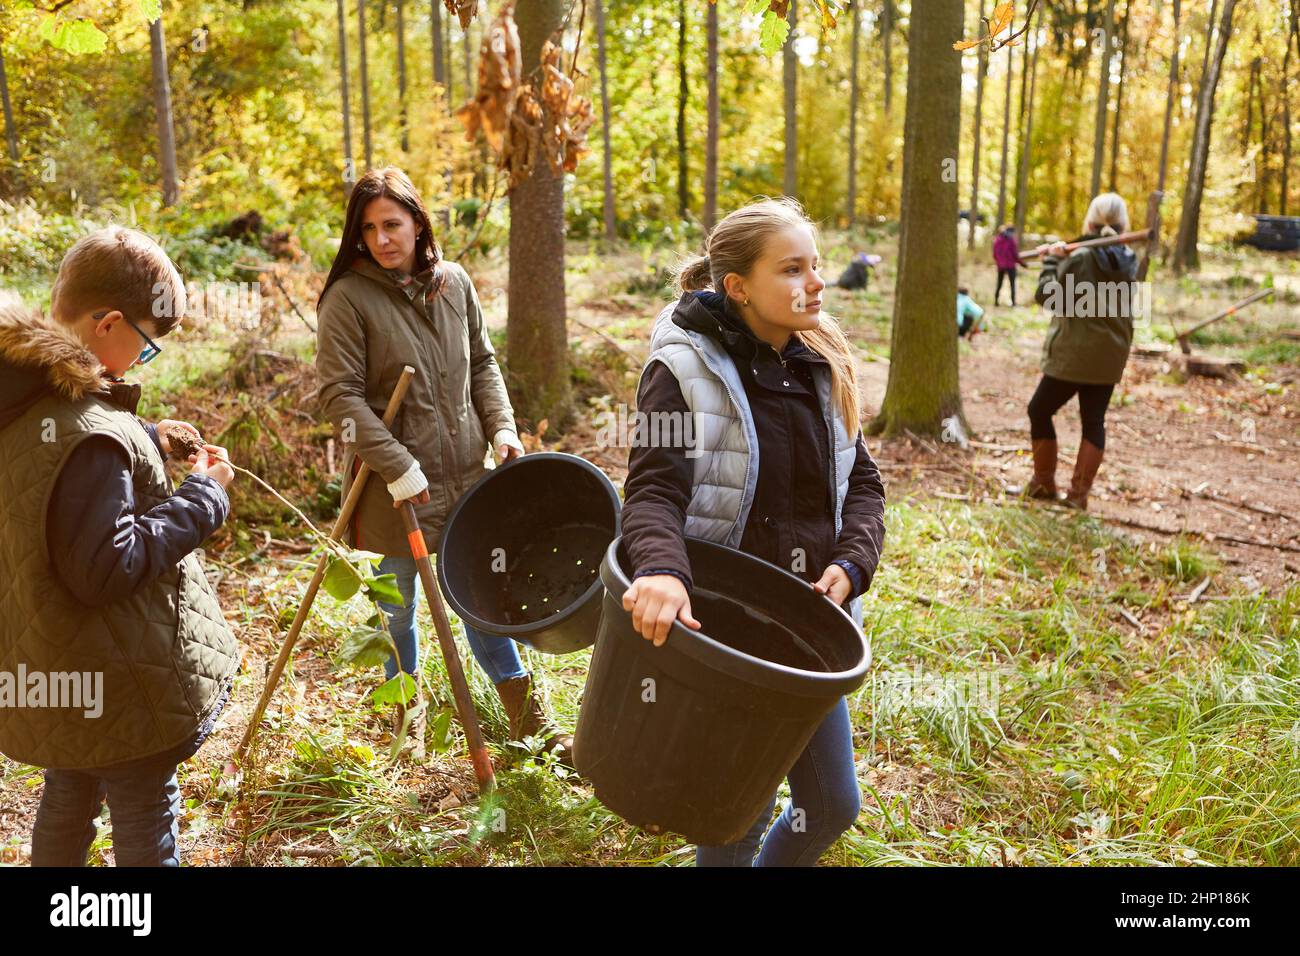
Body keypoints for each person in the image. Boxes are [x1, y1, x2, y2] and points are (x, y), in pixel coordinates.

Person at [620, 197, 886, 866]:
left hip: (810, 628)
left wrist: (854, 560)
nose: (816, 283)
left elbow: (863, 483)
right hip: (730, 632)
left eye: (816, 266)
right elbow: (653, 489)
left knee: (831, 805)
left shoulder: (824, 360)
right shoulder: (681, 371)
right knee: (736, 808)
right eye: (792, 269)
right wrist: (660, 570)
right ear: (737, 287)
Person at [315, 166, 572, 764]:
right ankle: (406, 725)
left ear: (417, 223)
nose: (382, 239)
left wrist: (502, 428)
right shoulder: (348, 299)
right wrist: (395, 463)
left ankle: (530, 725)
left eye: (393, 224)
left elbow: (482, 363)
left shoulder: (453, 285)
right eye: (369, 228)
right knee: (397, 610)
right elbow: (340, 398)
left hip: (467, 482)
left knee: (482, 599)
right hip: (395, 490)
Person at [0, 228, 240, 866]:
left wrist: (148, 441)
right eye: (148, 346)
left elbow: (46, 489)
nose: (145, 360)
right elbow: (108, 566)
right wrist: (204, 498)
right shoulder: (90, 432)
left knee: (69, 792)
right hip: (117, 681)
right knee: (145, 820)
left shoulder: (22, 394)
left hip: (52, 669)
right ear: (108, 324)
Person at [1022, 192, 1138, 510]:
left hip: (1074, 354)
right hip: (1111, 353)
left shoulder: (1081, 257)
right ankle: (1077, 496)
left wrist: (1051, 260)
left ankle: (1044, 483)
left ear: (1089, 221)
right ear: (1123, 224)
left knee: (1039, 410)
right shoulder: (1130, 258)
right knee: (1093, 420)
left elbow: (1048, 295)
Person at [992, 224, 1020, 306]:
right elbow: (1015, 255)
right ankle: (1013, 302)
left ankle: (996, 301)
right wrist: (1022, 263)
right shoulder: (1011, 240)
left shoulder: (997, 239)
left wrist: (999, 262)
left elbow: (994, 254)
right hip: (1011, 266)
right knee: (1012, 284)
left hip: (1001, 266)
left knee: (999, 283)